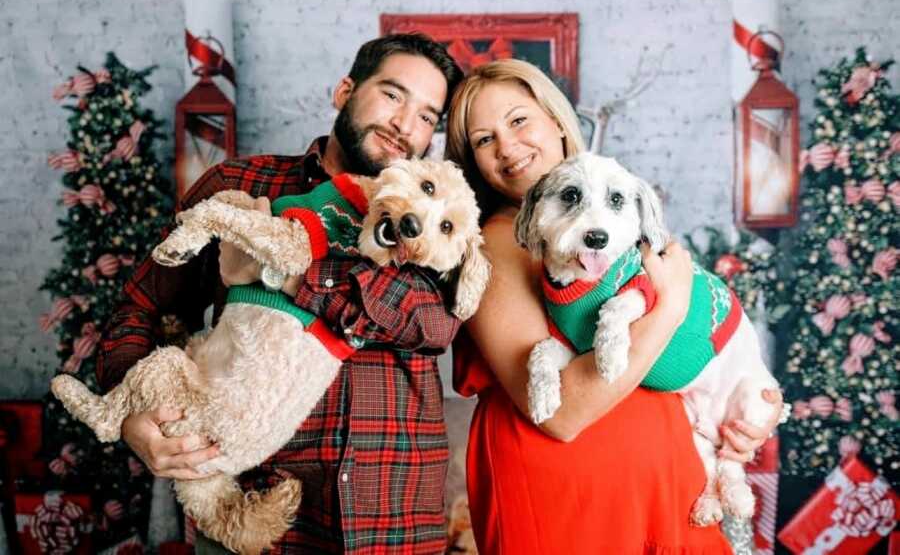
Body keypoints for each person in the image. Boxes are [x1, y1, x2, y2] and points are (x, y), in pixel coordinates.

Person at [97, 33, 465, 554]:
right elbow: (141, 306)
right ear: (344, 91)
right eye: (392, 94)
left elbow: (434, 324)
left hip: (394, 520)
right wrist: (134, 415)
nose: (406, 125)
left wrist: (285, 273)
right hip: (257, 517)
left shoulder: (436, 223)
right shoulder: (241, 185)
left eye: (428, 116)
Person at [444, 59, 783, 554]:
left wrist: (737, 417)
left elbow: (686, 353)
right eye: (483, 139)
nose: (508, 146)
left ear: (557, 122)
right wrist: (669, 307)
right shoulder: (493, 246)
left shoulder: (614, 216)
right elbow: (558, 414)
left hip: (662, 487)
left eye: (519, 120)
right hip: (567, 496)